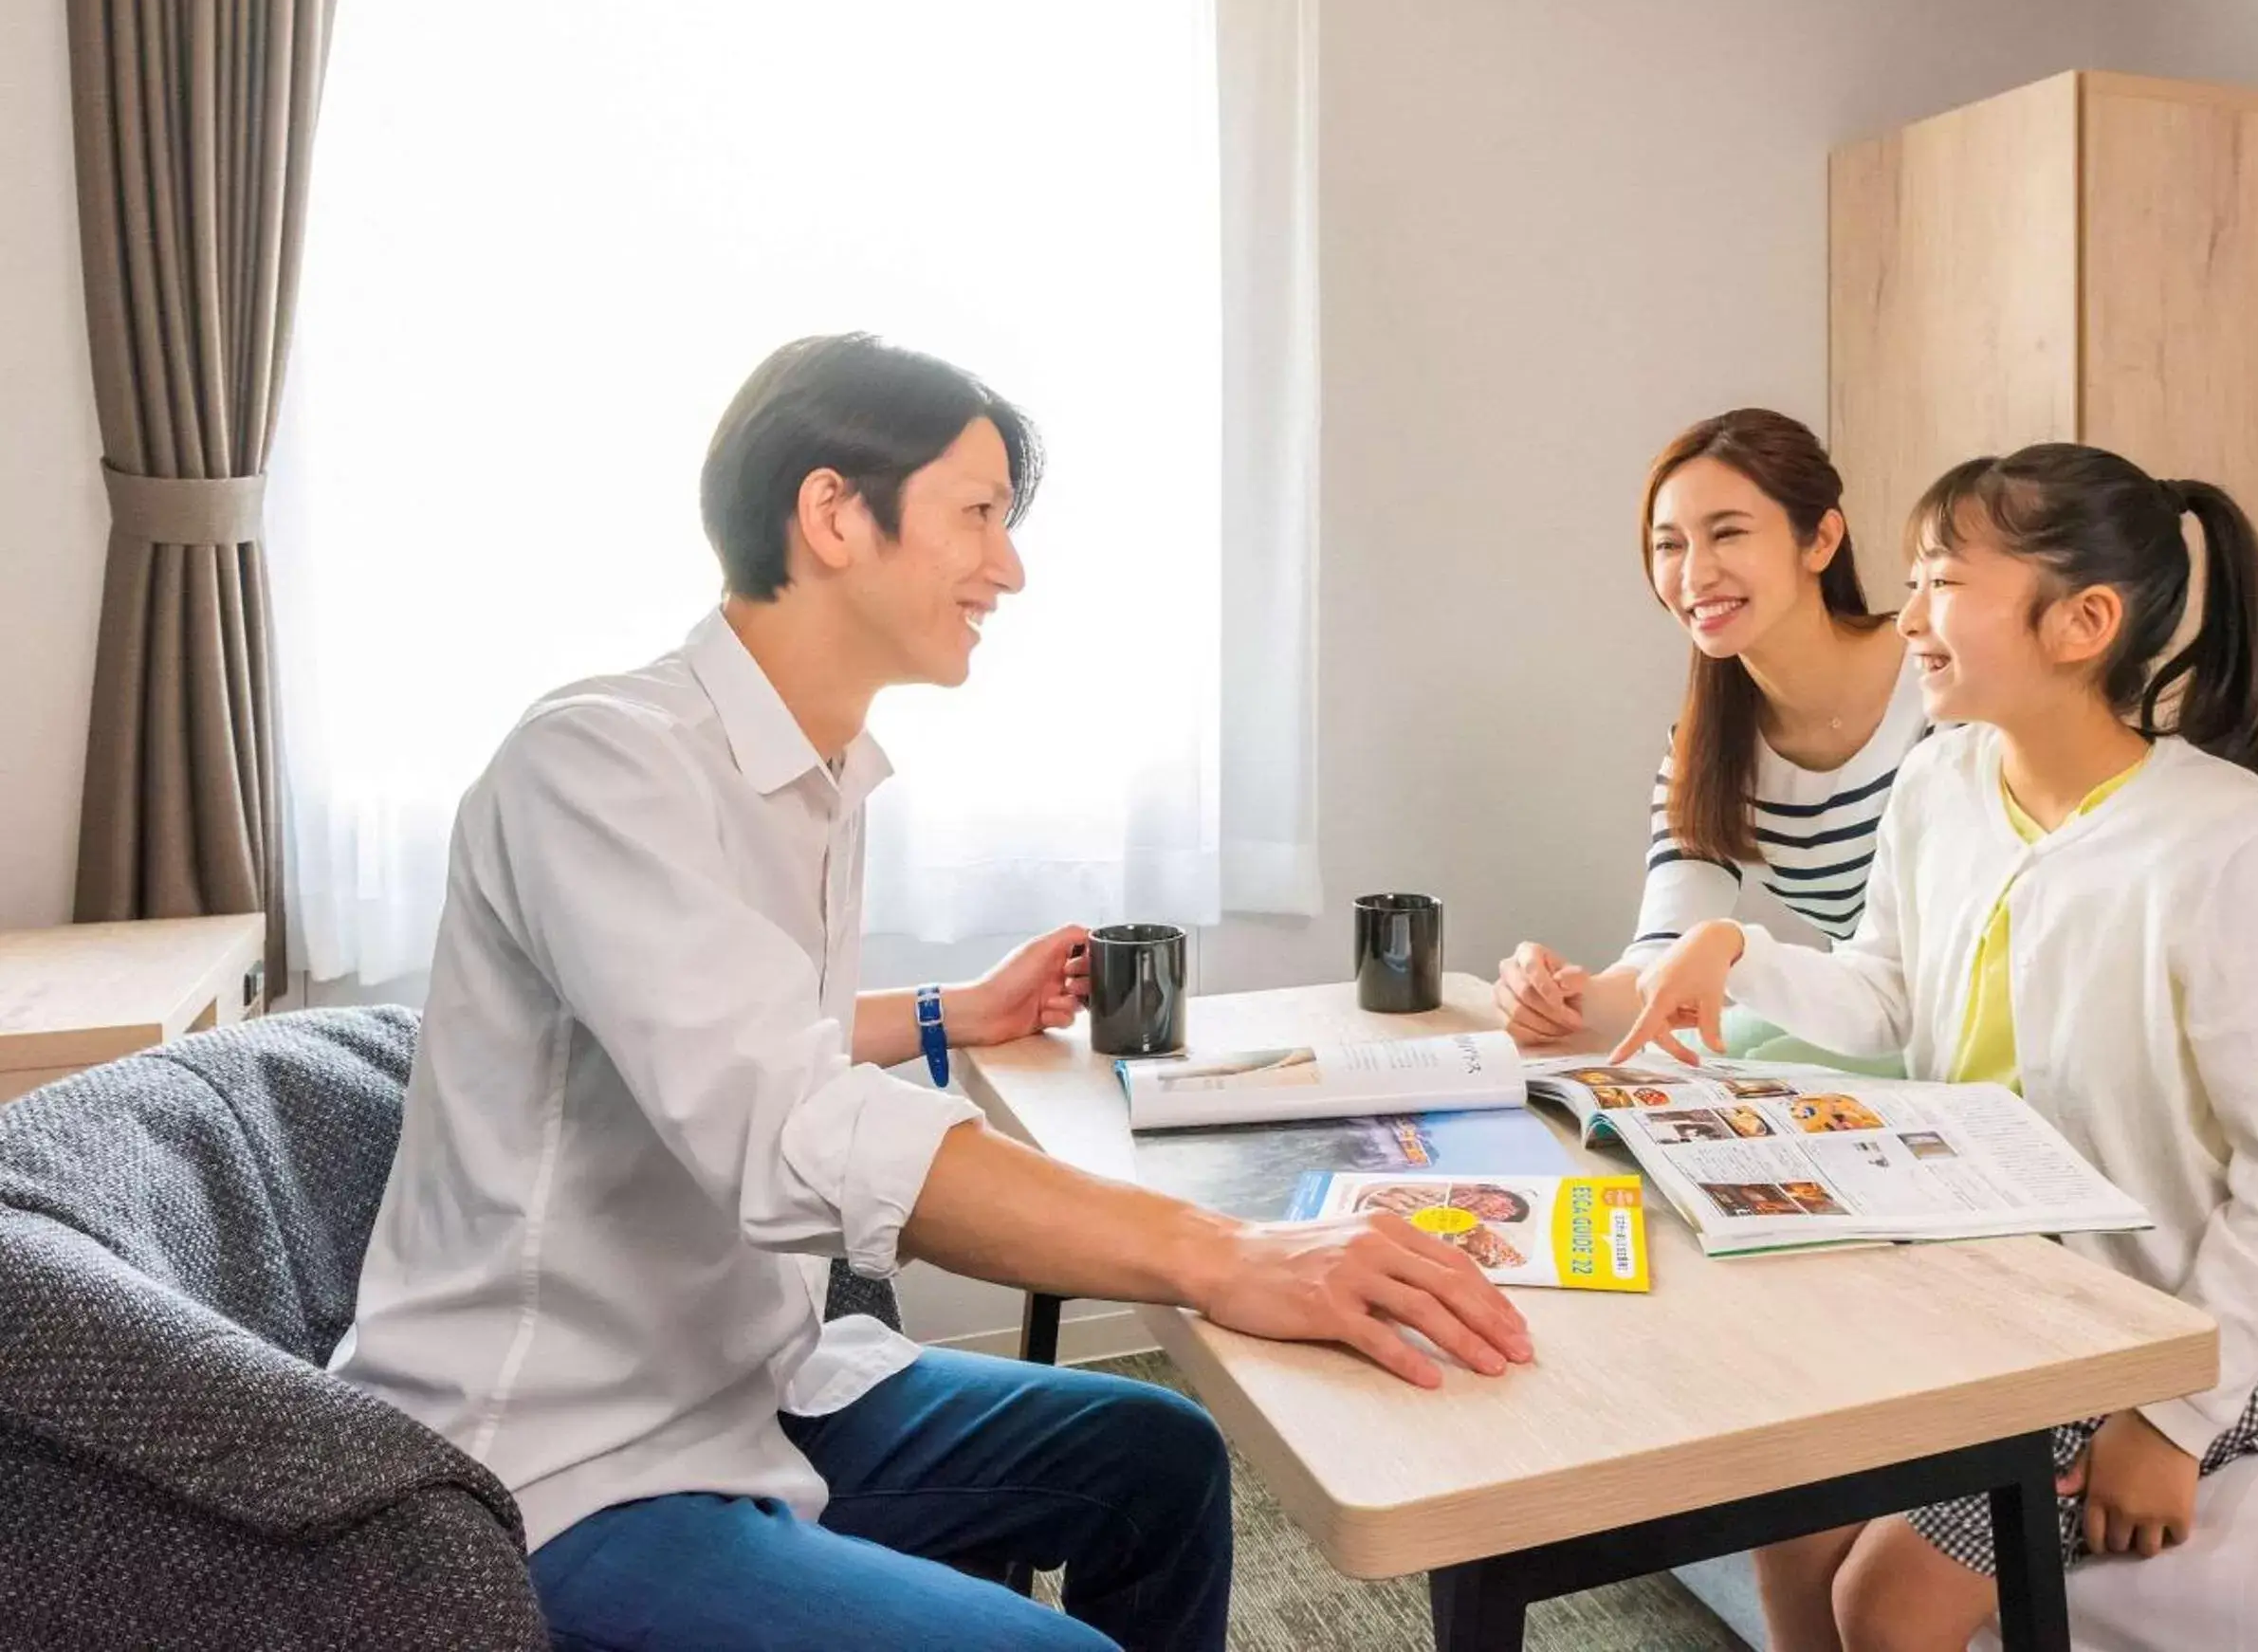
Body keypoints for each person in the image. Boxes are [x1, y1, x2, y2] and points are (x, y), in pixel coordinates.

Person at [333, 335, 1532, 1652]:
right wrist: (1227, 1256)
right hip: (558, 1464)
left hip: (754, 1386)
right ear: (835, 512)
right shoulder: (598, 767)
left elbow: (728, 1026)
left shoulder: (823, 774)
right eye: (978, 517)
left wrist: (946, 1014)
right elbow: (783, 1124)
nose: (1007, 567)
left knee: (1161, 1458)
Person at [1607, 444, 2258, 1652]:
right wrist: (1737, 950)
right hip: (1982, 1284)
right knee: (1791, 1528)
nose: (1910, 621)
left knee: (1887, 1604)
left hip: (2137, 1313)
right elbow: (1888, 995)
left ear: (2082, 623)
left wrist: (2174, 1417)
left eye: (1942, 586)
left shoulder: (2216, 843)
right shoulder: (1939, 783)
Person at [1494, 410, 1928, 1052]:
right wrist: (1552, 999)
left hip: (1972, 1041)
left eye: (1727, 534)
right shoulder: (1706, 753)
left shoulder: (1941, 681)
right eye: (1670, 545)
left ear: (1821, 540)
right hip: (1870, 1029)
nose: (1694, 576)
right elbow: (1661, 963)